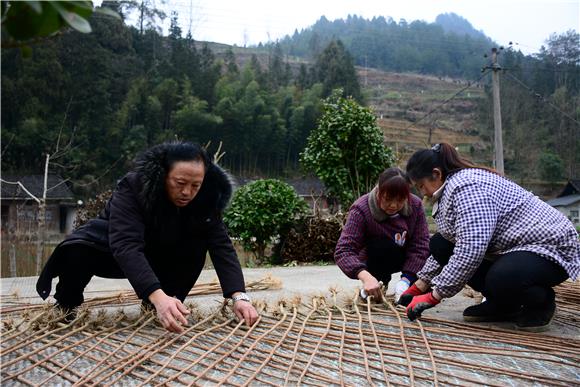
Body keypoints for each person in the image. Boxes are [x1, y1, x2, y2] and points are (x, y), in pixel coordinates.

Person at [37, 141, 259, 333]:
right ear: (164, 174)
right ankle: (66, 305)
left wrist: (239, 296)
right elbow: (125, 244)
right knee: (77, 248)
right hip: (112, 251)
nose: (187, 192)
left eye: (195, 185)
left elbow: (221, 246)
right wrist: (155, 293)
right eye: (180, 183)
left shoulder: (207, 197)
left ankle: (163, 302)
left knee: (197, 241)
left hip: (161, 255)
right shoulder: (134, 186)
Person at [399, 143, 580, 331]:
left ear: (436, 174)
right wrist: (420, 285)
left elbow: (471, 249)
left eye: (422, 186)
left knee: (501, 277)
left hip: (548, 247)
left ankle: (540, 302)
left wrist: (434, 295)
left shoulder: (466, 187)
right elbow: (454, 242)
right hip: (514, 249)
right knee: (440, 244)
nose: (423, 193)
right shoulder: (450, 189)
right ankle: (504, 304)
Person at [334, 167, 430, 302]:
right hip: (376, 258)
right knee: (381, 245)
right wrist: (366, 277)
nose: (394, 205)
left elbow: (420, 244)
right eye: (388, 199)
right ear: (379, 192)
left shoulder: (415, 205)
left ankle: (407, 285)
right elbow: (343, 250)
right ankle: (377, 283)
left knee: (435, 247)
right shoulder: (361, 209)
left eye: (400, 200)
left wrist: (407, 280)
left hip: (405, 255)